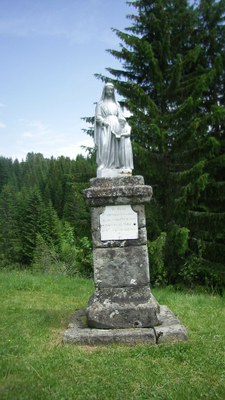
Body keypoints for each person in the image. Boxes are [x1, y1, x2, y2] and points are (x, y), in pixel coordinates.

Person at [94, 82, 133, 177]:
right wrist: (103, 121)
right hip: (105, 126)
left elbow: (120, 115)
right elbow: (98, 117)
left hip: (116, 125)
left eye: (112, 90)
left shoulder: (117, 104)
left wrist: (122, 121)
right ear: (105, 90)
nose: (110, 91)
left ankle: (116, 165)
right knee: (104, 144)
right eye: (108, 89)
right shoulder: (100, 104)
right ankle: (104, 164)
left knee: (117, 146)